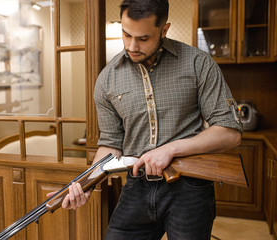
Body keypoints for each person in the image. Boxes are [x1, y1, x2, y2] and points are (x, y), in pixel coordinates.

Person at [52, 0, 242, 239]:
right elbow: (110, 144)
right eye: (126, 34)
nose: (132, 46)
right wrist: (87, 183)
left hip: (189, 187)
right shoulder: (106, 79)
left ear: (164, 30)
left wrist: (170, 150)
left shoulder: (198, 63)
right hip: (136, 186)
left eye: (143, 39)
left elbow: (230, 131)